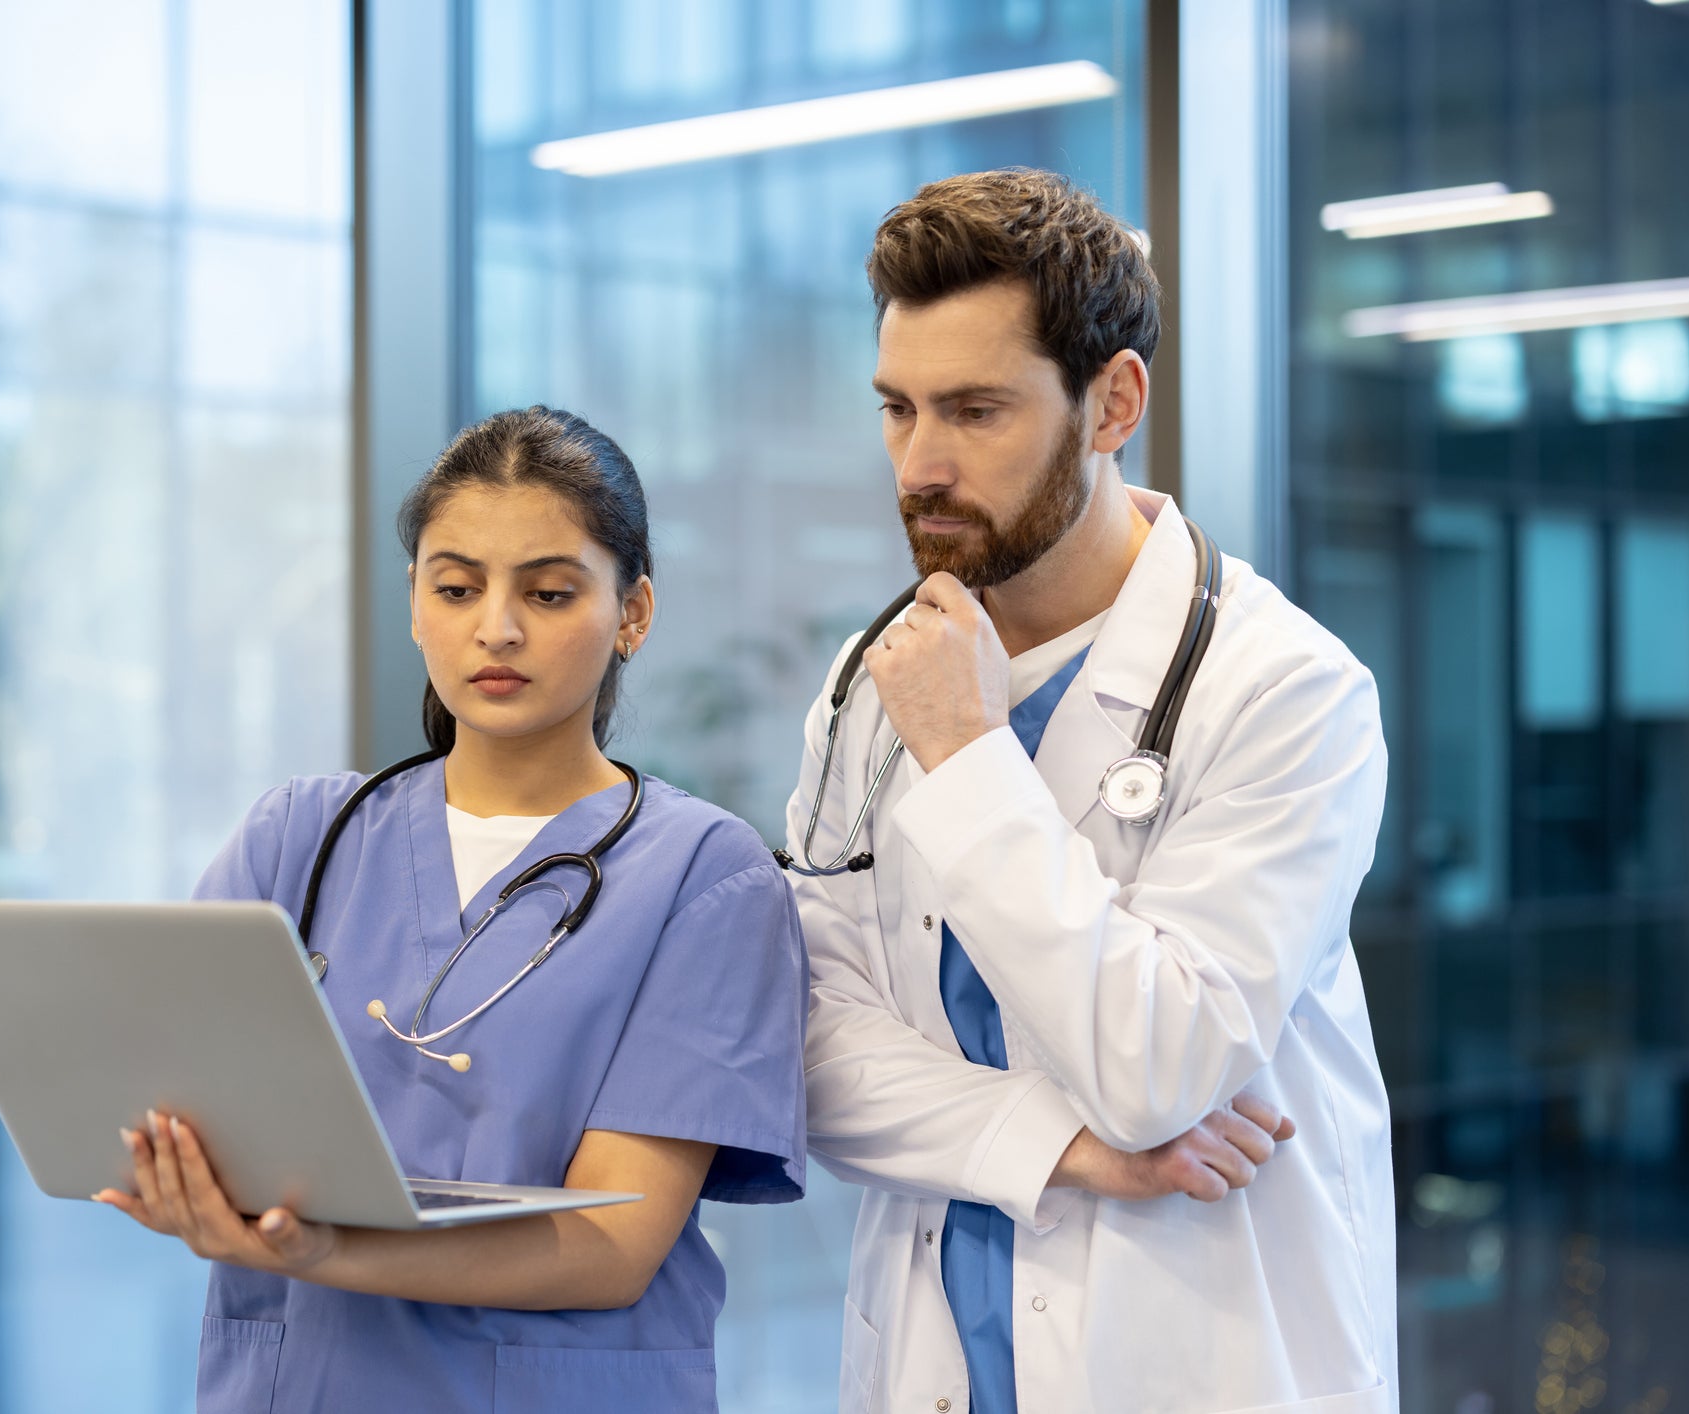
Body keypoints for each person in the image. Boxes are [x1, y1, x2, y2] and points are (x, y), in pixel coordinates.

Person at [791, 169, 1396, 1413]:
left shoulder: (1285, 692)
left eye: (974, 411)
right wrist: (1061, 1148)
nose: (920, 465)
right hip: (933, 1362)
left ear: (1112, 400)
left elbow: (1158, 1061)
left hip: (1195, 1357)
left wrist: (965, 753)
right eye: (896, 410)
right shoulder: (867, 686)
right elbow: (806, 1051)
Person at [94, 406, 808, 1413]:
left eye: (549, 591)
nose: (496, 628)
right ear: (417, 605)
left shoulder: (703, 875)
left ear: (632, 614)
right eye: (458, 586)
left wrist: (331, 1246)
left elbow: (611, 1247)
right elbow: (157, 1098)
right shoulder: (297, 838)